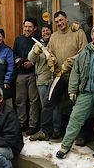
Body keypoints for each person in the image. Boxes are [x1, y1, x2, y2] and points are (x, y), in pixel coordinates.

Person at [56, 25, 94, 159]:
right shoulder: (84, 52)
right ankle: (65, 146)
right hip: (86, 93)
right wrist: (72, 90)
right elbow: (75, 72)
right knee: (75, 118)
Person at [30, 11, 87, 141]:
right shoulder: (54, 36)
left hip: (75, 75)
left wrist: (69, 63)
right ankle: (45, 131)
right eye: (57, 22)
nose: (59, 23)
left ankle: (80, 134)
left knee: (78, 105)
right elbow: (49, 53)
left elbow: (83, 52)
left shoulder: (78, 33)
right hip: (58, 75)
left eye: (61, 20)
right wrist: (52, 60)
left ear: (67, 19)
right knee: (48, 102)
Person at [13, 18, 42, 132]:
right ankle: (21, 123)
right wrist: (17, 60)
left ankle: (33, 125)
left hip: (33, 74)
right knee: (20, 100)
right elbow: (13, 53)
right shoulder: (18, 39)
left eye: (30, 27)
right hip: (20, 74)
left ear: (34, 28)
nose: (27, 29)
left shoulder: (38, 40)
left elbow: (42, 56)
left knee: (33, 101)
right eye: (25, 26)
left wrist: (32, 62)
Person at [27, 24, 52, 135]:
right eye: (43, 31)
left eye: (47, 31)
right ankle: (45, 129)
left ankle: (55, 130)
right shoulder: (38, 44)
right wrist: (35, 52)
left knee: (54, 106)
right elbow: (31, 59)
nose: (45, 33)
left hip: (53, 78)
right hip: (41, 80)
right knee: (44, 106)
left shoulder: (54, 42)